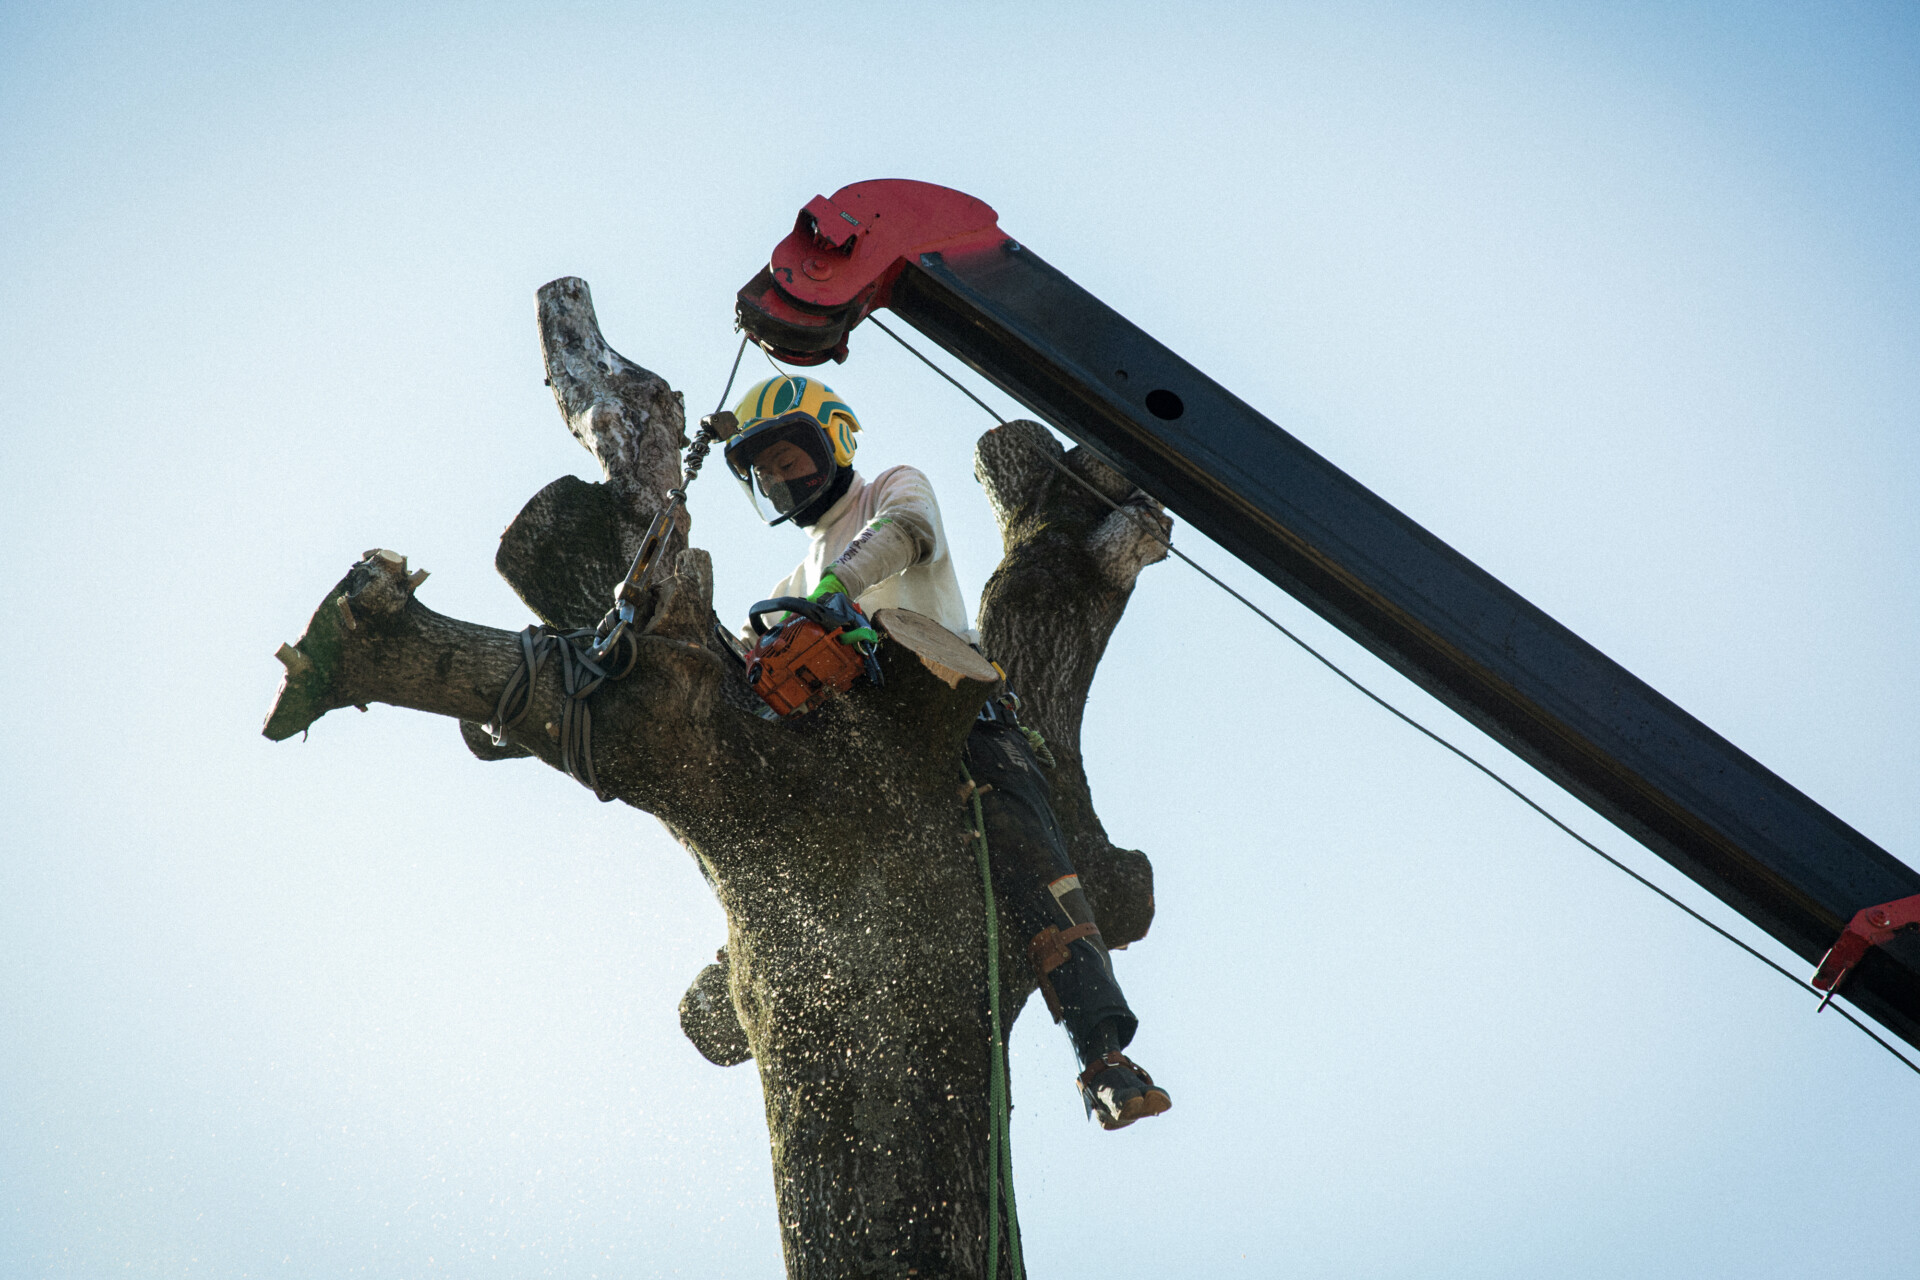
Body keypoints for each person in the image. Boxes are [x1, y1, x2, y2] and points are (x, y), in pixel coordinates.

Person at [722, 373, 1172, 1130]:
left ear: (832, 443)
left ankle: (1102, 1056)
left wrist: (837, 590)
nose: (779, 479)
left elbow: (905, 531)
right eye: (764, 473)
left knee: (1038, 868)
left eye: (788, 459)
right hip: (870, 764)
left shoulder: (890, 490)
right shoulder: (786, 584)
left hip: (966, 726)